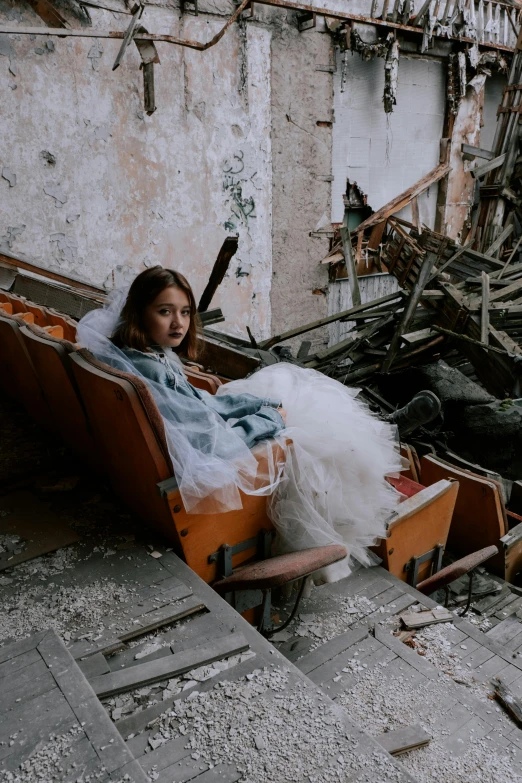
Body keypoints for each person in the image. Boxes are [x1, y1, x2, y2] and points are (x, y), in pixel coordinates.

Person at [77, 266, 403, 581]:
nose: (179, 323)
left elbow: (200, 403)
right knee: (315, 437)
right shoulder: (153, 374)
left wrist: (255, 405)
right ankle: (332, 541)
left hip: (151, 473)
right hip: (199, 486)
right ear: (139, 313)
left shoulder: (139, 355)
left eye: (186, 312)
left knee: (289, 398)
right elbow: (215, 444)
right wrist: (271, 420)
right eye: (165, 311)